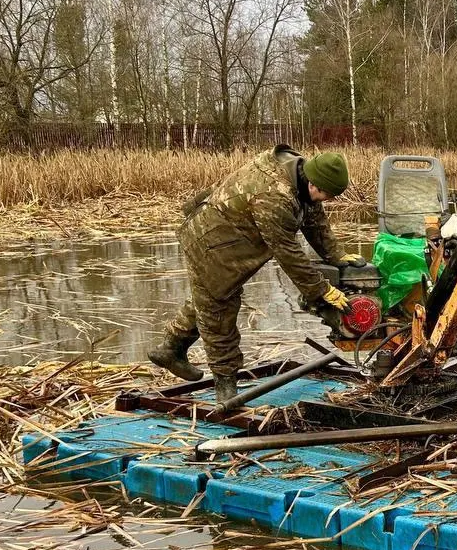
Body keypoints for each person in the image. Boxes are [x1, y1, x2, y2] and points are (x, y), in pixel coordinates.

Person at [147, 144, 361, 403]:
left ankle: (170, 349)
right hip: (212, 243)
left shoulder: (301, 175)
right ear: (313, 183)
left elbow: (314, 218)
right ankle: (226, 387)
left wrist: (335, 255)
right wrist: (321, 290)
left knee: (208, 298)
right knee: (218, 309)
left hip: (232, 237)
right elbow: (288, 252)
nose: (327, 201)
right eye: (326, 195)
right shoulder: (274, 196)